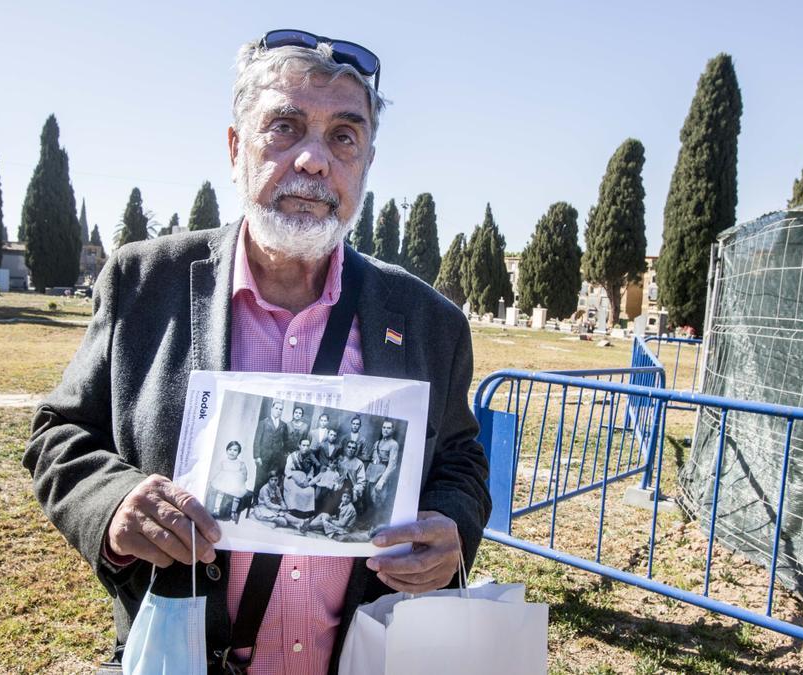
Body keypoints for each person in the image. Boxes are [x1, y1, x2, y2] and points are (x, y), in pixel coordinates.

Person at [24, 30, 490, 675]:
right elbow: (59, 431)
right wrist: (113, 504)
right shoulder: (144, 283)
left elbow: (458, 457)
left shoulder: (428, 320)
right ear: (236, 146)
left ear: (366, 164)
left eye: (343, 137)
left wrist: (454, 525)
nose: (314, 160)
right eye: (284, 127)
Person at [206, 440, 250, 522]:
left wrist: (241, 481)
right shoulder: (223, 462)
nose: (232, 452)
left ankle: (233, 512)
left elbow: (244, 474)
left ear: (239, 452)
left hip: (235, 483)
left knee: (237, 495)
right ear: (227, 450)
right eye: (230, 449)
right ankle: (217, 509)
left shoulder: (241, 463)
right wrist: (212, 479)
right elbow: (216, 471)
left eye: (235, 450)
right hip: (223, 481)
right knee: (220, 492)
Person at [252, 400, 289, 494]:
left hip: (276, 460)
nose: (278, 411)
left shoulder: (283, 425)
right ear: (272, 409)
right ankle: (255, 501)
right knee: (260, 480)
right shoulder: (263, 422)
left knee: (271, 482)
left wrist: (282, 456)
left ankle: (264, 502)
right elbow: (257, 441)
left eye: (281, 409)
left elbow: (286, 442)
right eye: (276, 408)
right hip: (263, 458)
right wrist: (257, 456)